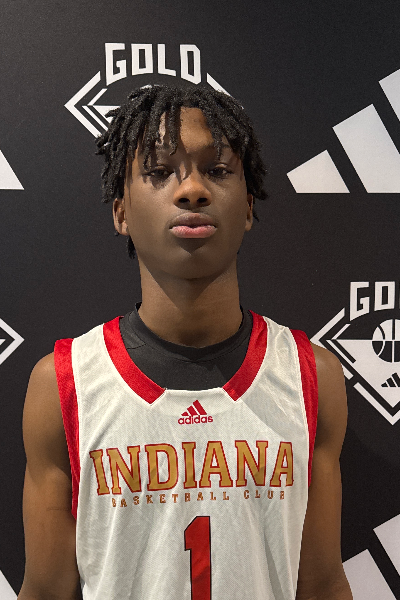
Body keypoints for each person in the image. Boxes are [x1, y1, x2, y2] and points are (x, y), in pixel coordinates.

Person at [19, 84, 352, 600]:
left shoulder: (311, 376)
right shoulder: (64, 385)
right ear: (121, 212)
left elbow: (322, 585)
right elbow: (45, 591)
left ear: (248, 207)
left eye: (217, 170)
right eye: (159, 171)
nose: (192, 190)